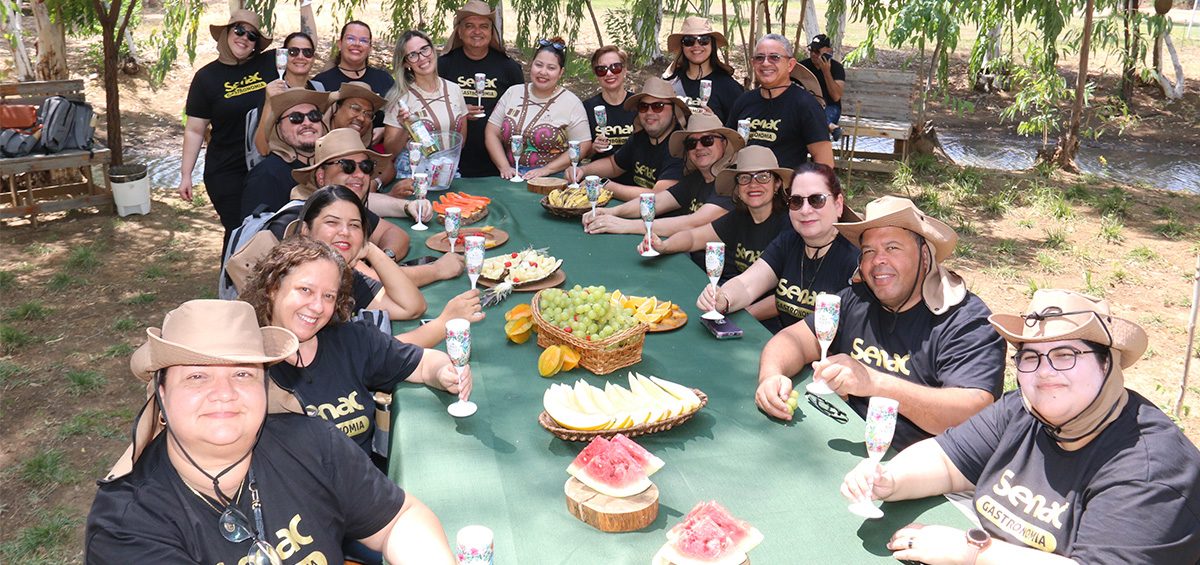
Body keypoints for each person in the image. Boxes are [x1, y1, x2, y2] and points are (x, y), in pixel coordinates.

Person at [842, 290, 1200, 563]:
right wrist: (889, 479)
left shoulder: (1151, 470)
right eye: (1030, 356)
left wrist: (972, 551)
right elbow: (947, 461)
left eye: (1065, 355)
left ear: (1108, 364)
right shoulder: (1023, 410)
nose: (1044, 372)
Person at [85, 299, 456, 563]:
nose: (224, 394)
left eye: (243, 373)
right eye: (197, 376)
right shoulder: (127, 525)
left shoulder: (313, 443)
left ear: (265, 386)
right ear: (161, 394)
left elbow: (399, 519)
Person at [755, 196, 1006, 450]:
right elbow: (793, 339)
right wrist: (771, 377)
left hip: (927, 472)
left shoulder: (966, 321)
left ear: (925, 256)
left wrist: (874, 383)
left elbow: (972, 413)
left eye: (893, 248)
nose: (878, 261)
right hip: (845, 442)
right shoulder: (858, 299)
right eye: (869, 252)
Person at [243, 236, 474, 461]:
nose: (316, 306)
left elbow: (423, 363)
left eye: (328, 296)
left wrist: (444, 372)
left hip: (362, 489)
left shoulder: (351, 340)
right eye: (305, 290)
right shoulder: (244, 361)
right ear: (273, 288)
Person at [287, 186, 478, 347]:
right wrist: (443, 324)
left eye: (354, 225)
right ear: (305, 231)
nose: (344, 232)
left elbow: (411, 307)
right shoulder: (299, 281)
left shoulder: (343, 274)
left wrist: (370, 250)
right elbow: (367, 357)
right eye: (332, 222)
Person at [697, 159, 859, 331]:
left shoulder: (854, 260)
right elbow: (747, 284)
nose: (805, 210)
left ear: (838, 204)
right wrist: (723, 298)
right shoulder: (788, 242)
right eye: (796, 201)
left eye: (816, 200)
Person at [179, 10, 277, 241]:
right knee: (238, 230)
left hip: (263, 166)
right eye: (239, 30)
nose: (244, 38)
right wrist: (185, 175)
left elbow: (305, 44)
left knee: (262, 228)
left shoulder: (269, 64)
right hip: (224, 170)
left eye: (252, 36)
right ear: (226, 32)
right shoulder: (206, 78)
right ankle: (230, 276)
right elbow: (195, 130)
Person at [291, 129, 449, 269]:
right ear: (321, 176)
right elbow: (367, 283)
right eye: (348, 166)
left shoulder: (342, 206)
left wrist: (385, 259)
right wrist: (437, 271)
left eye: (366, 166)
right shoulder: (300, 215)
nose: (360, 174)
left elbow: (395, 234)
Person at [639, 146, 789, 289]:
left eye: (763, 177)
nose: (753, 184)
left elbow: (780, 296)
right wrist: (664, 246)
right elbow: (692, 238)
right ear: (738, 187)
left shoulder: (789, 226)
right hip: (735, 296)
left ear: (777, 184)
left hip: (755, 309)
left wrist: (739, 308)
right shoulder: (740, 217)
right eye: (745, 178)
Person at [583, 113, 741, 237]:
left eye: (707, 140)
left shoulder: (731, 183)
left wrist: (624, 225)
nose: (699, 147)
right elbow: (656, 201)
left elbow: (692, 223)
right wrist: (610, 212)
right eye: (691, 143)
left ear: (724, 143)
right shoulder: (697, 178)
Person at [438, 0, 525, 178]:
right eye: (469, 26)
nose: (477, 32)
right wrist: (459, 112)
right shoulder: (443, 66)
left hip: (499, 161)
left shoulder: (508, 68)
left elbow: (521, 110)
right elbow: (431, 105)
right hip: (452, 159)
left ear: (491, 32)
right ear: (459, 32)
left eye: (483, 26)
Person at [485, 37, 591, 181]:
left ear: (561, 72)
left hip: (553, 178)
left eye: (551, 68)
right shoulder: (513, 93)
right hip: (510, 176)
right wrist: (503, 166)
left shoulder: (572, 103)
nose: (543, 72)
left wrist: (546, 170)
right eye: (539, 65)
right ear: (531, 65)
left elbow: (583, 145)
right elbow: (492, 132)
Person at [568, 77, 689, 201]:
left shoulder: (680, 146)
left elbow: (658, 196)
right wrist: (582, 170)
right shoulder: (641, 137)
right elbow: (614, 165)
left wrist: (605, 185)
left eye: (658, 106)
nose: (649, 112)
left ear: (674, 110)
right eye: (643, 106)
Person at [726, 34, 832, 170]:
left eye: (774, 57)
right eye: (759, 58)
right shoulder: (744, 101)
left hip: (786, 188)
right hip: (744, 186)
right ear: (753, 63)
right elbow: (728, 148)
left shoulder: (805, 105)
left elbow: (825, 162)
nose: (765, 63)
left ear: (790, 64)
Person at [383, 30, 469, 179]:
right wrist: (405, 128)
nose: (422, 58)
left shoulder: (454, 89)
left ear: (433, 49)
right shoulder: (400, 98)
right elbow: (391, 151)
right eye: (413, 55)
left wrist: (445, 165)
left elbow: (460, 140)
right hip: (413, 175)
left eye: (424, 49)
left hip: (449, 172)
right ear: (405, 63)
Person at [241, 89, 330, 216]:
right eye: (296, 118)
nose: (307, 122)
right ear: (279, 128)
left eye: (314, 116)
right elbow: (255, 231)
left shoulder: (334, 166)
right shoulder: (266, 175)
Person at [250, 29, 325, 159]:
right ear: (283, 57)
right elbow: (262, 148)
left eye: (307, 52)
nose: (300, 57)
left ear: (313, 58)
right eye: (293, 52)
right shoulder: (273, 92)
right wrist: (269, 102)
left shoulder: (318, 89)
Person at [314, 21, 394, 130]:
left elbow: (398, 118)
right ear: (340, 44)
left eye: (364, 40)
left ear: (370, 48)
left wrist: (385, 131)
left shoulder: (384, 79)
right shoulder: (320, 83)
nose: (357, 44)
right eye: (350, 38)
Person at [663, 16, 744, 122]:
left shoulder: (728, 87)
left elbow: (738, 131)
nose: (696, 45)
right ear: (682, 46)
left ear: (712, 45)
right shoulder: (670, 82)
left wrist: (716, 126)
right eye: (689, 41)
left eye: (704, 40)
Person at [328, 81, 398, 189]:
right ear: (336, 108)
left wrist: (375, 183)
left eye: (368, 114)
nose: (361, 118)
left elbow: (387, 167)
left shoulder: (360, 141)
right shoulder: (314, 139)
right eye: (355, 108)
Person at [582, 45, 637, 160]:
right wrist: (593, 148)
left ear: (625, 70)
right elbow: (582, 154)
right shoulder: (586, 108)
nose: (609, 74)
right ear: (596, 74)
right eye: (601, 70)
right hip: (601, 175)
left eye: (615, 67)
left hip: (635, 175)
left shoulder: (639, 104)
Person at [797, 34, 845, 140]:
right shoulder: (803, 67)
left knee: (816, 122)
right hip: (808, 107)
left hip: (830, 107)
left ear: (828, 51)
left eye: (817, 51)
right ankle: (831, 127)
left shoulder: (837, 68)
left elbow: (836, 96)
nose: (813, 54)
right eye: (811, 50)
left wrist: (826, 72)